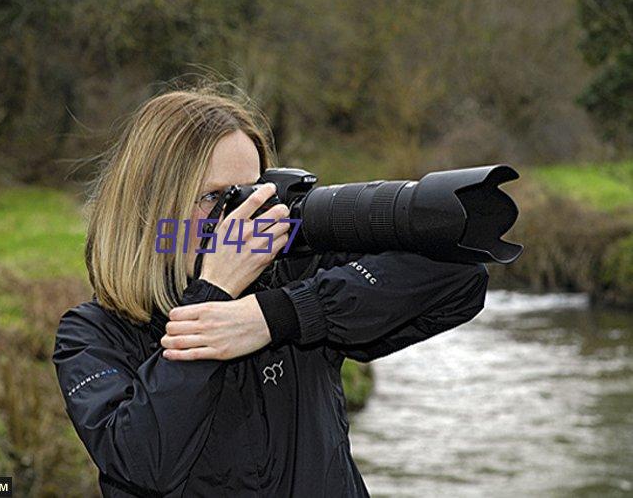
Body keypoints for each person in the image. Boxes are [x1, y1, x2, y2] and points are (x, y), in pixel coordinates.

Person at [52, 85, 490, 497]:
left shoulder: (292, 276)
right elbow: (142, 463)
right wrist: (215, 291)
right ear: (150, 206)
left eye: (251, 193)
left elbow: (459, 277)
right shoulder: (92, 334)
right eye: (214, 197)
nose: (243, 217)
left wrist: (279, 315)